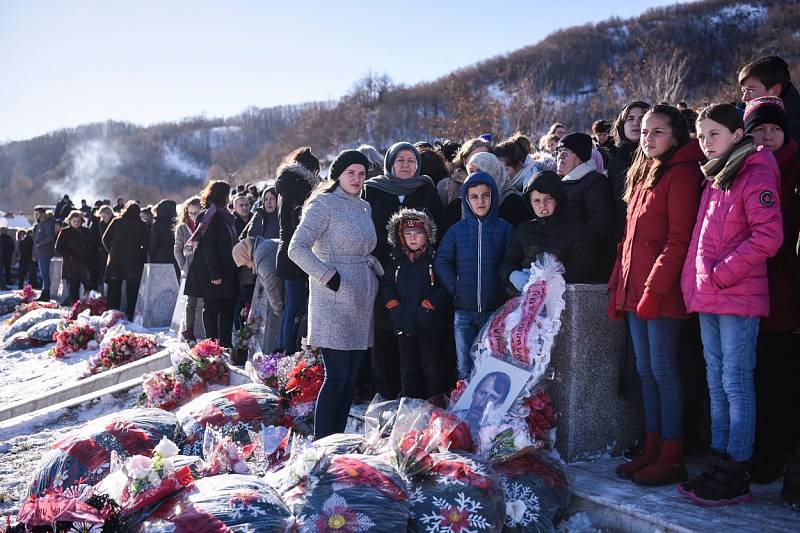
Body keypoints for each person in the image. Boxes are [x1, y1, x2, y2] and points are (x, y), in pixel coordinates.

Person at [679, 103, 783, 506]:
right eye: (701, 136)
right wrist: (697, 284)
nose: (706, 143)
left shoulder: (755, 170)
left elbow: (767, 237)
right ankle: (718, 462)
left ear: (737, 135)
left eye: (714, 135)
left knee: (736, 384)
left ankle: (736, 468)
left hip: (737, 297)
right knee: (716, 382)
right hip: (710, 296)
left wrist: (720, 274)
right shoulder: (716, 176)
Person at [607, 105, 704, 486]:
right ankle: (651, 447)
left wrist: (652, 290)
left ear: (676, 135)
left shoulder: (680, 175)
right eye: (645, 131)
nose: (647, 138)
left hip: (661, 294)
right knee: (646, 373)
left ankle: (671, 455)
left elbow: (678, 240)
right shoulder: (646, 172)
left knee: (664, 372)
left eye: (657, 132)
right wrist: (619, 286)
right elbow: (630, 242)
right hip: (637, 292)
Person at [287, 150, 383, 438]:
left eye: (361, 174)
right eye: (350, 173)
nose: (356, 179)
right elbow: (297, 247)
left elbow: (364, 247)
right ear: (337, 174)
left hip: (362, 298)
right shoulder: (323, 204)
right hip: (333, 299)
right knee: (337, 375)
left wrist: (373, 266)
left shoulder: (364, 206)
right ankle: (322, 443)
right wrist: (328, 276)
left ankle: (337, 441)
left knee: (351, 378)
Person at [743, 96, 800, 483]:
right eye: (758, 130)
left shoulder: (795, 167)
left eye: (774, 129)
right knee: (753, 375)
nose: (766, 136)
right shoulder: (741, 167)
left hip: (784, 289)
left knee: (779, 376)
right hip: (747, 287)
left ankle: (775, 454)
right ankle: (758, 451)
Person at [365, 141, 443, 400]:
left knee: (421, 336)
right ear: (390, 163)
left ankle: (421, 392)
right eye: (401, 160)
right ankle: (386, 389)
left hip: (419, 271)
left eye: (411, 160)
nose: (406, 165)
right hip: (382, 271)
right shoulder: (374, 191)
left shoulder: (426, 189)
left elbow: (438, 228)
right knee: (386, 327)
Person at [435, 172, 513, 380]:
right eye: (474, 196)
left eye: (485, 195)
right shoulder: (456, 231)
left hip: (493, 310)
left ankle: (488, 408)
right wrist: (455, 287)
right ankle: (463, 408)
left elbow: (511, 260)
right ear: (467, 199)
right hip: (463, 310)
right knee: (464, 365)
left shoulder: (504, 229)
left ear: (493, 197)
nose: (480, 201)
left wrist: (503, 289)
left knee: (491, 360)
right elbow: (442, 260)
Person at [380, 208, 447, 399]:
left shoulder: (434, 259)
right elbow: (386, 285)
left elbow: (444, 287)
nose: (413, 238)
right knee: (407, 364)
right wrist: (392, 304)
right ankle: (409, 400)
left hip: (428, 322)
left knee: (431, 363)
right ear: (400, 236)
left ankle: (435, 397)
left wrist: (431, 304)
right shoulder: (395, 260)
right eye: (408, 233)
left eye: (418, 233)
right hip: (403, 321)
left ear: (427, 235)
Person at [500, 170, 595, 293]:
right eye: (536, 201)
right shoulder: (523, 230)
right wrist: (512, 274)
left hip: (562, 301)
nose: (542, 205)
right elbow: (508, 261)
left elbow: (584, 268)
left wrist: (549, 275)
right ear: (530, 202)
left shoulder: (578, 231)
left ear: (558, 199)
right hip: (525, 301)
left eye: (548, 199)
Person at [275, 147, 321, 354]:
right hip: (298, 254)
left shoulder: (286, 186)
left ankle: (285, 350)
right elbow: (300, 224)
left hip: (285, 251)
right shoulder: (302, 188)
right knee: (297, 308)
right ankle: (291, 353)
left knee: (290, 308)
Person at [185, 181, 240, 348]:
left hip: (228, 270)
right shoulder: (209, 215)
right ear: (222, 195)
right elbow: (208, 246)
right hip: (214, 273)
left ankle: (225, 344)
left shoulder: (223, 214)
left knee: (227, 308)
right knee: (212, 309)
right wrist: (215, 274)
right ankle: (211, 346)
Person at [555, 132, 615, 281]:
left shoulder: (595, 182)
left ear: (581, 156)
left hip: (587, 266)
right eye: (559, 152)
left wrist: (575, 249)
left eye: (567, 152)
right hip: (565, 260)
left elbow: (600, 225)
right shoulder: (561, 183)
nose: (560, 156)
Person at [607, 101, 651, 243]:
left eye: (642, 118)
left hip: (649, 236)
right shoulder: (614, 161)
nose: (636, 123)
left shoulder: (659, 158)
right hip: (621, 236)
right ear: (622, 125)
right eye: (630, 118)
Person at [103, 201, 150, 319]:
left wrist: (111, 251)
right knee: (132, 290)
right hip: (133, 261)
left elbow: (105, 238)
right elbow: (146, 244)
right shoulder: (142, 224)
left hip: (116, 260)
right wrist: (141, 256)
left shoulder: (116, 221)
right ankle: (130, 315)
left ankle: (111, 315)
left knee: (114, 289)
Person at [738, 56, 800, 143]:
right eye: (744, 91)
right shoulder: (738, 117)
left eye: (751, 90)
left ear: (775, 91)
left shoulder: (794, 134)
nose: (744, 98)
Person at [174, 196, 202, 343]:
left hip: (204, 269)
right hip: (189, 270)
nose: (193, 216)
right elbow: (177, 250)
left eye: (196, 213)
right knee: (190, 303)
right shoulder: (183, 228)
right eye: (191, 213)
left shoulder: (204, 225)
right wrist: (183, 266)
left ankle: (204, 331)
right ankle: (189, 332)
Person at [436, 137, 491, 210]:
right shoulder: (446, 186)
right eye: (475, 158)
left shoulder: (499, 184)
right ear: (465, 161)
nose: (480, 162)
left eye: (484, 158)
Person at [55, 210, 91, 305]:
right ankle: (75, 306)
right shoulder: (65, 232)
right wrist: (68, 255)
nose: (76, 223)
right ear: (70, 221)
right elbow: (58, 247)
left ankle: (85, 304)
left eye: (78, 221)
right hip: (70, 264)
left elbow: (91, 245)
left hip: (83, 262)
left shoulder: (86, 231)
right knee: (73, 286)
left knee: (88, 284)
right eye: (74, 221)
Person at [149, 200, 179, 279]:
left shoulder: (157, 224)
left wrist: (151, 256)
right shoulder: (177, 223)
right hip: (174, 259)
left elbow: (154, 243)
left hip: (160, 259)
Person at [32, 207, 58, 301]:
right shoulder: (40, 224)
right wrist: (34, 253)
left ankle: (46, 294)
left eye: (37, 213)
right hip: (40, 253)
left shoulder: (47, 223)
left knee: (45, 274)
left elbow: (50, 237)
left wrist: (40, 243)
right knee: (43, 274)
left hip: (45, 252)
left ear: (42, 213)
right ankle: (44, 293)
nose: (35, 215)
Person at [89, 205, 114, 295]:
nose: (103, 218)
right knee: (102, 272)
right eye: (102, 217)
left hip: (113, 251)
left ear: (110, 214)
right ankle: (101, 293)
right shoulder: (101, 223)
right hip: (103, 251)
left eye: (104, 216)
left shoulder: (115, 222)